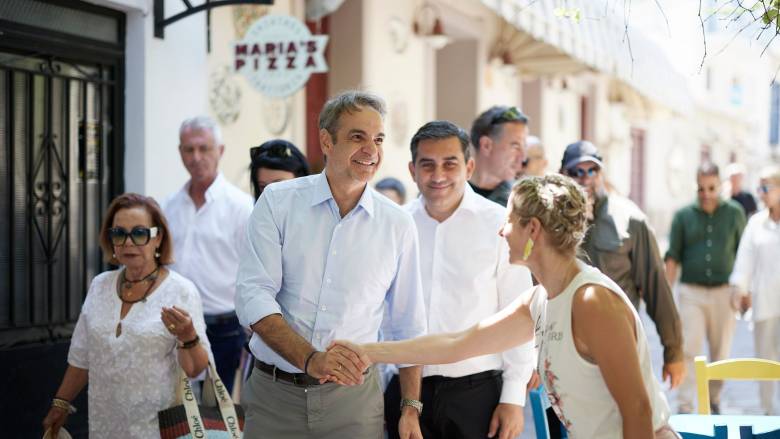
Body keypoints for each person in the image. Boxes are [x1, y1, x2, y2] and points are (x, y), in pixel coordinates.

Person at [331, 174, 679, 439]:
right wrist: (367, 351)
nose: (501, 230)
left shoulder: (592, 301)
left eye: (509, 220)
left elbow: (637, 409)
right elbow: (457, 344)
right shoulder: (540, 300)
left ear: (533, 229)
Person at [235, 90, 427, 438]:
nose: (371, 150)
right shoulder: (278, 202)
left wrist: (410, 408)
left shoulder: (398, 224)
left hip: (354, 403)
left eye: (378, 139)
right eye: (358, 137)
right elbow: (254, 296)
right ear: (326, 141)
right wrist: (311, 358)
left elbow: (408, 324)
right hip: (274, 397)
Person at [382, 120, 535, 439]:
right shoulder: (395, 227)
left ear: (468, 166)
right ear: (412, 170)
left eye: (449, 164)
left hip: (477, 394)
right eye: (428, 165)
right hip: (406, 392)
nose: (438, 176)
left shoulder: (499, 226)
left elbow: (520, 313)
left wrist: (512, 398)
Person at [42, 194, 211, 438]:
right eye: (119, 234)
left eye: (139, 233)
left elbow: (196, 370)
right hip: (105, 425)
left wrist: (188, 336)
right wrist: (61, 403)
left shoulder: (181, 291)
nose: (128, 243)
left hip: (158, 428)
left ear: (158, 238)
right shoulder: (100, 285)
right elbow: (81, 357)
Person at [560, 141, 685, 389]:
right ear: (563, 174)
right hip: (565, 350)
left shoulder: (631, 221)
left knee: (621, 421)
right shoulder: (552, 222)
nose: (585, 179)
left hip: (618, 346)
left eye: (592, 170)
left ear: (601, 173)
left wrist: (674, 352)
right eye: (577, 172)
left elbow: (656, 288)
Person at [163, 116, 254, 394]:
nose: (196, 157)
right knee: (177, 408)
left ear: (220, 151)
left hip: (223, 329)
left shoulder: (241, 207)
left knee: (216, 416)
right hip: (175, 325)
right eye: (189, 149)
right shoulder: (170, 206)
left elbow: (253, 271)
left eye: (204, 148)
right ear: (180, 152)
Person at [665, 162, 747, 414]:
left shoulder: (734, 213)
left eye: (711, 188)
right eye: (701, 188)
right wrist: (666, 297)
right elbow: (673, 257)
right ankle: (687, 407)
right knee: (690, 348)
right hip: (692, 293)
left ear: (719, 185)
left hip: (724, 293)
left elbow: (744, 255)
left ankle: (713, 400)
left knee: (720, 353)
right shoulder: (683, 216)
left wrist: (744, 289)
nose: (706, 194)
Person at [729, 165, 780, 415]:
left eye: (766, 187)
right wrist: (740, 288)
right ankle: (770, 416)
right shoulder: (756, 224)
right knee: (766, 364)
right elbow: (744, 259)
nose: (760, 193)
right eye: (759, 187)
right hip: (766, 306)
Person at [469, 105, 528, 206]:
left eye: (524, 146)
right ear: (486, 145)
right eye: (515, 145)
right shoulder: (449, 194)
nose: (523, 157)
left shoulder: (521, 204)